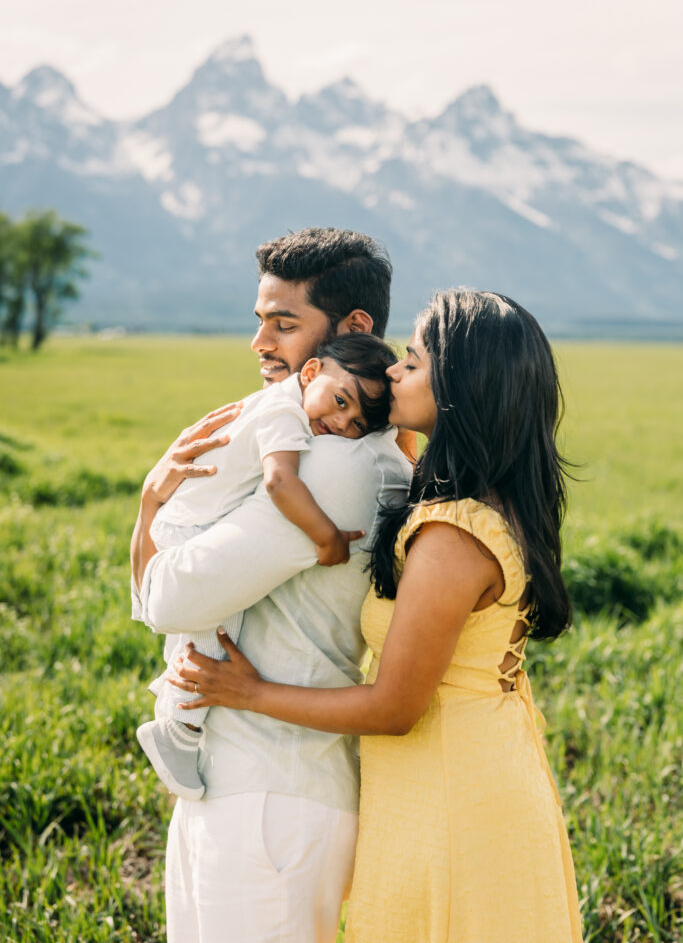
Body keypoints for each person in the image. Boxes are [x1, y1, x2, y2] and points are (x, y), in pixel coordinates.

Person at [169, 289, 584, 943]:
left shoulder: (452, 538)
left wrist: (248, 693)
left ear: (460, 391)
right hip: (471, 770)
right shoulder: (480, 503)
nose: (393, 371)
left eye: (413, 363)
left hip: (449, 792)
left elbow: (395, 707)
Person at [130, 227, 413, 943]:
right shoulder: (317, 441)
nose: (260, 343)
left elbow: (167, 603)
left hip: (269, 797)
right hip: (238, 780)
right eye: (260, 320)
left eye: (282, 323)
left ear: (351, 329)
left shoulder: (337, 469)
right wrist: (150, 504)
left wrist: (151, 510)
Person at [134, 334, 398, 802]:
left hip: (272, 788)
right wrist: (326, 537)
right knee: (210, 630)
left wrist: (149, 504)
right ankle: (177, 725)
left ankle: (177, 725)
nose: (340, 423)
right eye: (339, 403)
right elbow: (280, 481)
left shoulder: (320, 438)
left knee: (210, 626)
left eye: (357, 422)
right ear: (312, 373)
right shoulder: (284, 412)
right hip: (190, 525)